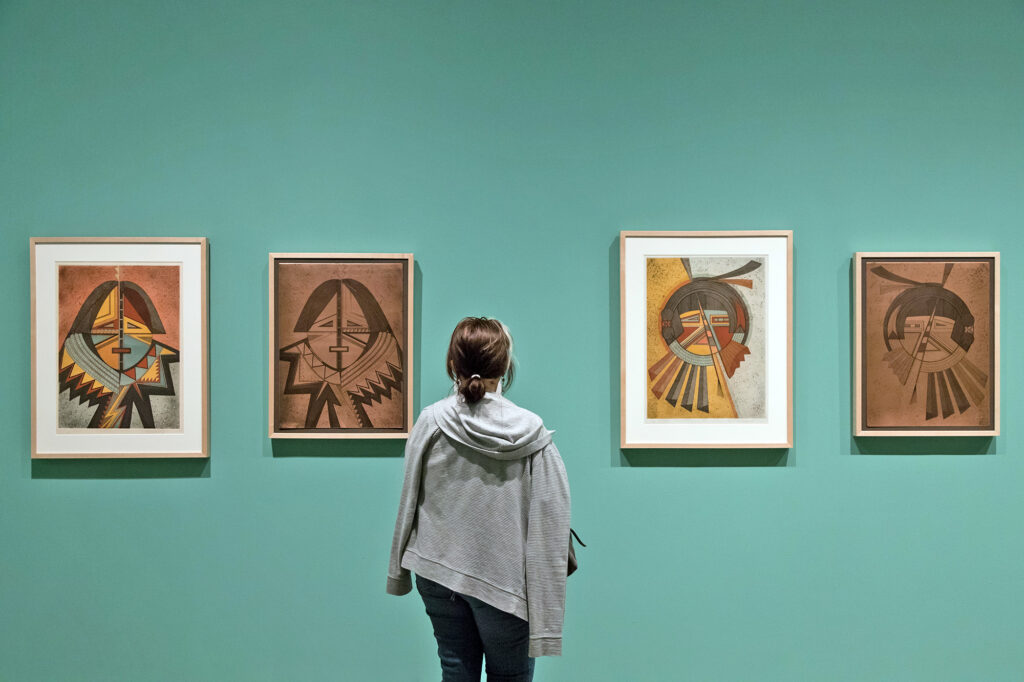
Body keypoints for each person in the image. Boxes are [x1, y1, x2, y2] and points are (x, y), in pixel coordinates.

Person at [387, 317, 571, 682]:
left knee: (455, 670)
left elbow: (408, 496)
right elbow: (552, 524)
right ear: (504, 368)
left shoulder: (431, 421)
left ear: (453, 365)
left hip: (437, 571)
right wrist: (547, 623)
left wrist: (398, 572)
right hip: (505, 584)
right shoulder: (532, 432)